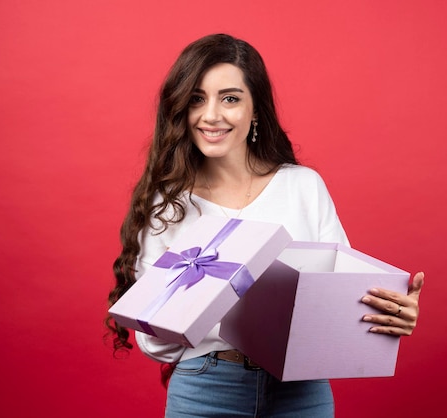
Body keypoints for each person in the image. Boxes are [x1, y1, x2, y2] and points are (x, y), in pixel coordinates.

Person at [107, 33, 424, 418]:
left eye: (230, 98)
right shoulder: (167, 204)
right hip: (205, 389)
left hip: (300, 394)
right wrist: (198, 313)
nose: (211, 115)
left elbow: (341, 297)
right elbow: (155, 343)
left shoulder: (302, 186)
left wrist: (388, 313)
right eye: (196, 99)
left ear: (255, 109)